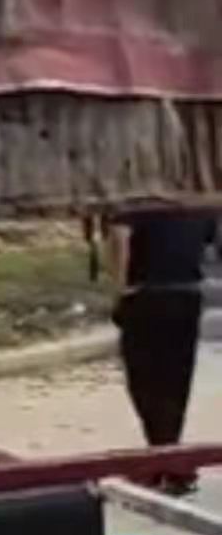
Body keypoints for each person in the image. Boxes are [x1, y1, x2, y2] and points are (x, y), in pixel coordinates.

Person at [107, 208, 216, 491]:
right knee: (175, 381)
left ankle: (165, 460)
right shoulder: (193, 202)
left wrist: (119, 291)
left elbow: (120, 238)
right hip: (187, 293)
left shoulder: (136, 199)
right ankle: (169, 459)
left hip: (146, 293)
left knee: (144, 380)